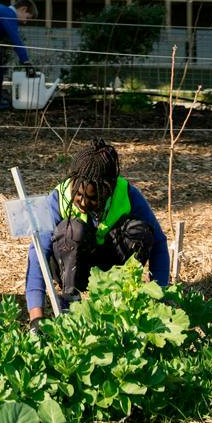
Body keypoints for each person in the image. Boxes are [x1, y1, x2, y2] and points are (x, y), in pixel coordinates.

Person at [26, 139, 169, 325]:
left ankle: (119, 298)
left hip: (111, 269)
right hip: (73, 267)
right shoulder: (58, 196)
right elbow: (38, 252)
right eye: (79, 194)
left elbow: (158, 243)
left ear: (108, 189)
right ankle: (69, 301)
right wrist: (36, 316)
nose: (83, 202)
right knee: (71, 229)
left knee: (139, 231)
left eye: (92, 198)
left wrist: (160, 295)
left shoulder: (127, 194)